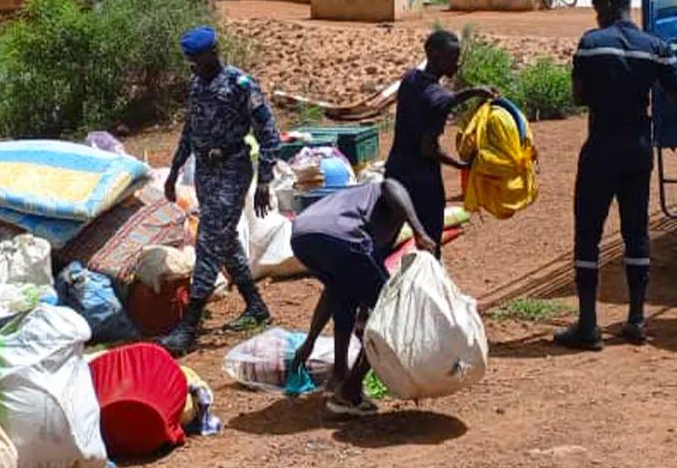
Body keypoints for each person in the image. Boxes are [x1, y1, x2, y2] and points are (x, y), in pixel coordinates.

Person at [552, 0, 677, 351]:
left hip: (601, 145)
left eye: (599, 10)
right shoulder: (657, 47)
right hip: (638, 148)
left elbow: (578, 95)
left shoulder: (591, 44)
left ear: (607, 8)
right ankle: (635, 319)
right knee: (636, 231)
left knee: (588, 233)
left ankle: (588, 326)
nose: (597, 17)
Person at [159, 26, 282, 357]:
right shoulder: (198, 84)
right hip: (206, 172)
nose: (191, 65)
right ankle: (256, 307)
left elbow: (270, 134)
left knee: (209, 240)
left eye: (195, 59)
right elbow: (190, 129)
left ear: (212, 53)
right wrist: (173, 171)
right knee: (224, 240)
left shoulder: (240, 84)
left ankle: (189, 326)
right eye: (189, 60)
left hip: (232, 170)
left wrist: (266, 181)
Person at [284, 179, 438, 417]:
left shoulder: (358, 199)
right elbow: (391, 185)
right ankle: (349, 393)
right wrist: (419, 231)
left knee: (343, 293)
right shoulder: (393, 193)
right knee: (392, 312)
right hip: (342, 234)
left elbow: (334, 292)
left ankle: (339, 374)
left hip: (303, 236)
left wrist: (310, 342)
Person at [383, 30, 500, 260]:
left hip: (395, 172)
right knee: (429, 245)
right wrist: (462, 165)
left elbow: (438, 97)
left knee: (385, 240)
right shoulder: (438, 101)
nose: (457, 63)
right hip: (423, 182)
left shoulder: (409, 79)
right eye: (452, 57)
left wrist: (471, 93)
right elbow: (428, 149)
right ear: (435, 56)